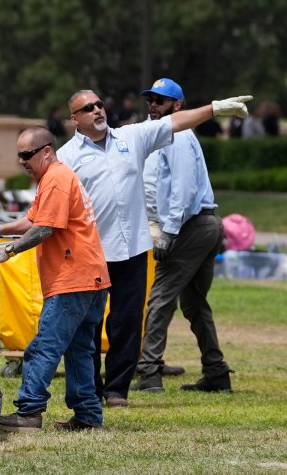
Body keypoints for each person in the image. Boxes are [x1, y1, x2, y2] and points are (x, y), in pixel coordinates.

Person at [55, 83, 251, 408]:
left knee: (127, 321)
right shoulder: (67, 157)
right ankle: (90, 388)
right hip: (91, 250)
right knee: (88, 324)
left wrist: (215, 108)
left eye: (100, 103)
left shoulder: (130, 137)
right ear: (75, 119)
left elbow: (177, 124)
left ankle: (117, 390)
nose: (97, 110)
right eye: (88, 108)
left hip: (132, 248)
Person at [0, 126, 109, 431]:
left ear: (47, 151)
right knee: (79, 349)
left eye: (27, 155)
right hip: (92, 278)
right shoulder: (54, 178)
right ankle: (88, 417)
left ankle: (29, 412)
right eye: (19, 156)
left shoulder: (55, 180)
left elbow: (44, 229)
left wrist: (6, 251)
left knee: (43, 346)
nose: (22, 161)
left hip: (73, 279)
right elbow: (31, 220)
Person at [131, 78, 232, 394]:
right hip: (199, 225)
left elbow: (183, 190)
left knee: (160, 297)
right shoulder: (163, 134)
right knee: (194, 303)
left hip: (192, 226)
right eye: (151, 100)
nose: (153, 105)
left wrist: (167, 232)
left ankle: (148, 373)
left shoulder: (179, 135)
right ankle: (216, 373)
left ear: (178, 105)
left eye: (161, 101)